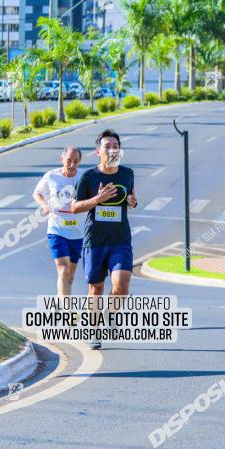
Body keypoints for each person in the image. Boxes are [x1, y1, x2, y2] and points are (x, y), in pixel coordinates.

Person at [71, 129, 137, 350]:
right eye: (107, 146)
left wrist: (133, 201)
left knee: (121, 285)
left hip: (120, 239)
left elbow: (131, 197)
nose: (112, 149)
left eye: (115, 146)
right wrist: (98, 199)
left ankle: (109, 316)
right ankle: (94, 330)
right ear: (98, 151)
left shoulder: (127, 173)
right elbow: (74, 207)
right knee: (96, 289)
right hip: (95, 240)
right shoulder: (89, 177)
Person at [33, 147, 84, 296]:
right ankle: (67, 312)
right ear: (62, 159)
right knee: (63, 270)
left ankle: (58, 302)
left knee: (69, 275)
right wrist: (44, 205)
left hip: (77, 232)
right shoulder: (52, 176)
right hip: (57, 230)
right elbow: (37, 193)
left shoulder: (83, 178)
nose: (72, 164)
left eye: (76, 161)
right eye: (69, 160)